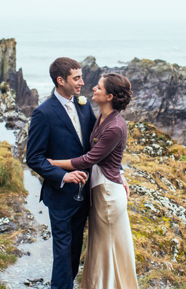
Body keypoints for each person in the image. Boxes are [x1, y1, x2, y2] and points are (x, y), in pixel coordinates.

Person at [47, 72, 138, 289]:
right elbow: (103, 152)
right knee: (99, 247)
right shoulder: (101, 116)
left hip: (107, 194)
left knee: (105, 249)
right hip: (99, 189)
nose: (93, 89)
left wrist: (54, 163)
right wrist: (120, 172)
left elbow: (90, 158)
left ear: (109, 97)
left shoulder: (115, 126)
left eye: (99, 87)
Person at [25, 57, 96, 289]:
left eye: (81, 77)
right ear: (60, 80)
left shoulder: (84, 105)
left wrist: (118, 171)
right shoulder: (43, 113)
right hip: (60, 195)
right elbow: (33, 158)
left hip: (85, 193)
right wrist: (63, 176)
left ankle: (68, 283)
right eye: (76, 78)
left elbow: (95, 144)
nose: (81, 83)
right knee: (63, 250)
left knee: (76, 248)